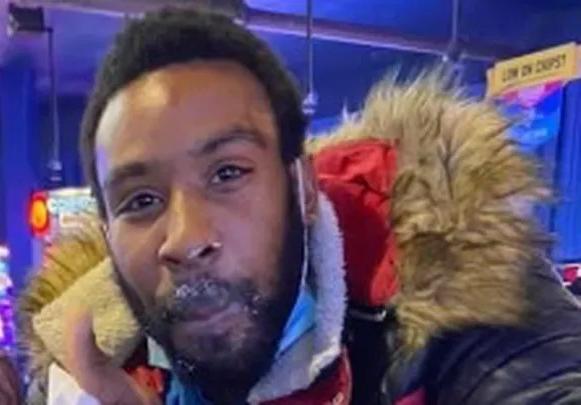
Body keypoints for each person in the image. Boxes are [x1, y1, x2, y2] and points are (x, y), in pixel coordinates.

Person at [15, 7, 581, 405]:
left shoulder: (462, 291)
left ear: (303, 189)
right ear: (108, 235)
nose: (186, 239)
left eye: (228, 173)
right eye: (141, 201)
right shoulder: (79, 375)